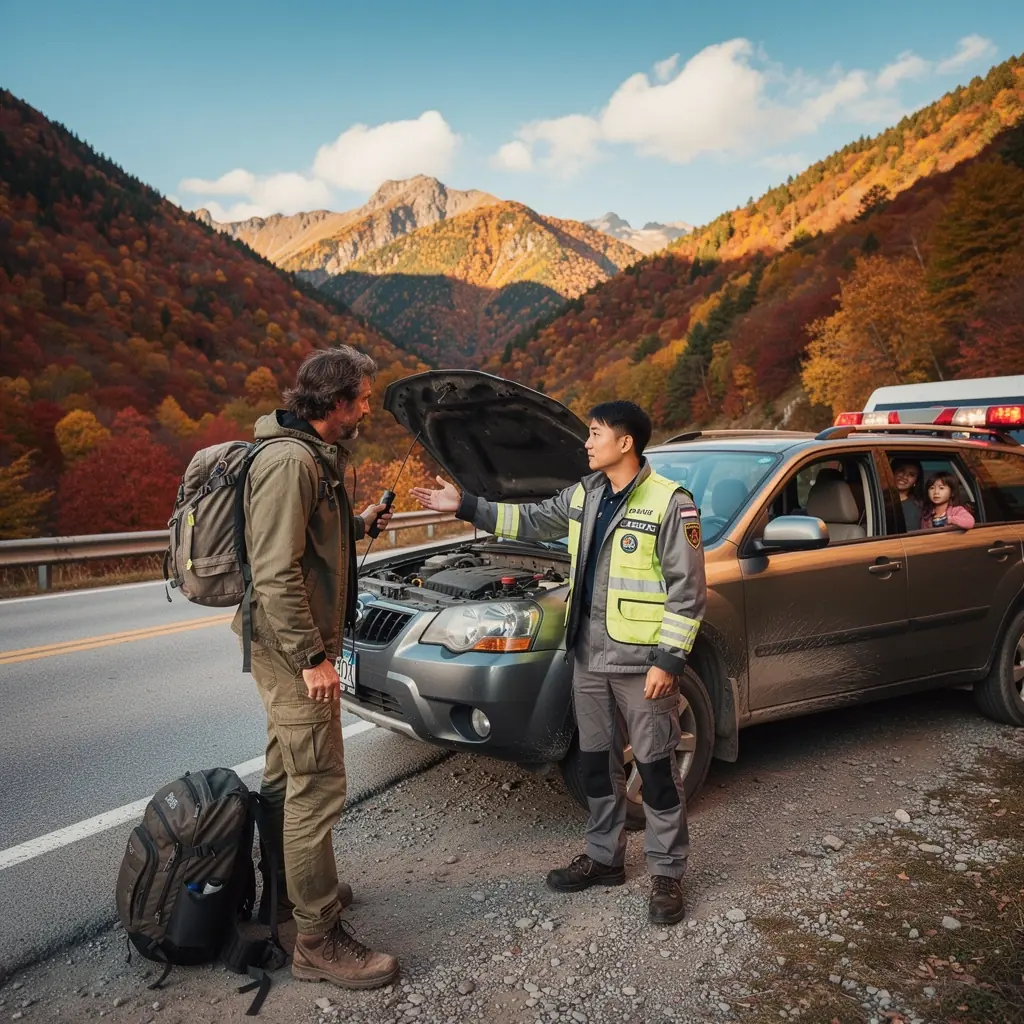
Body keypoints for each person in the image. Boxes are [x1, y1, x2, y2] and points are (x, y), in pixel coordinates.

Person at [411, 401, 706, 924]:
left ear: (625, 443)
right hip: (588, 656)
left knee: (657, 769)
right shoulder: (585, 494)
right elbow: (528, 519)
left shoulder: (670, 503)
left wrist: (670, 659)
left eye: (595, 434)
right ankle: (603, 858)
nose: (587, 443)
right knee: (596, 765)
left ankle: (666, 873)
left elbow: (687, 592)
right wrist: (466, 506)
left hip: (642, 664)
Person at [234, 346, 399, 990]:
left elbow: (307, 544)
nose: (365, 407)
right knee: (319, 786)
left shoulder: (311, 455)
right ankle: (317, 939)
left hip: (289, 646)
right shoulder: (290, 463)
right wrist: (312, 659)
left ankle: (286, 896)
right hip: (290, 649)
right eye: (360, 397)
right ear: (334, 403)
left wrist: (359, 525)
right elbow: (275, 573)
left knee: (285, 776)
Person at [891, 458, 925, 531]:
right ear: (893, 472)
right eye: (901, 471)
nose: (904, 477)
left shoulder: (917, 506)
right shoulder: (878, 498)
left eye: (911, 475)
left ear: (915, 482)